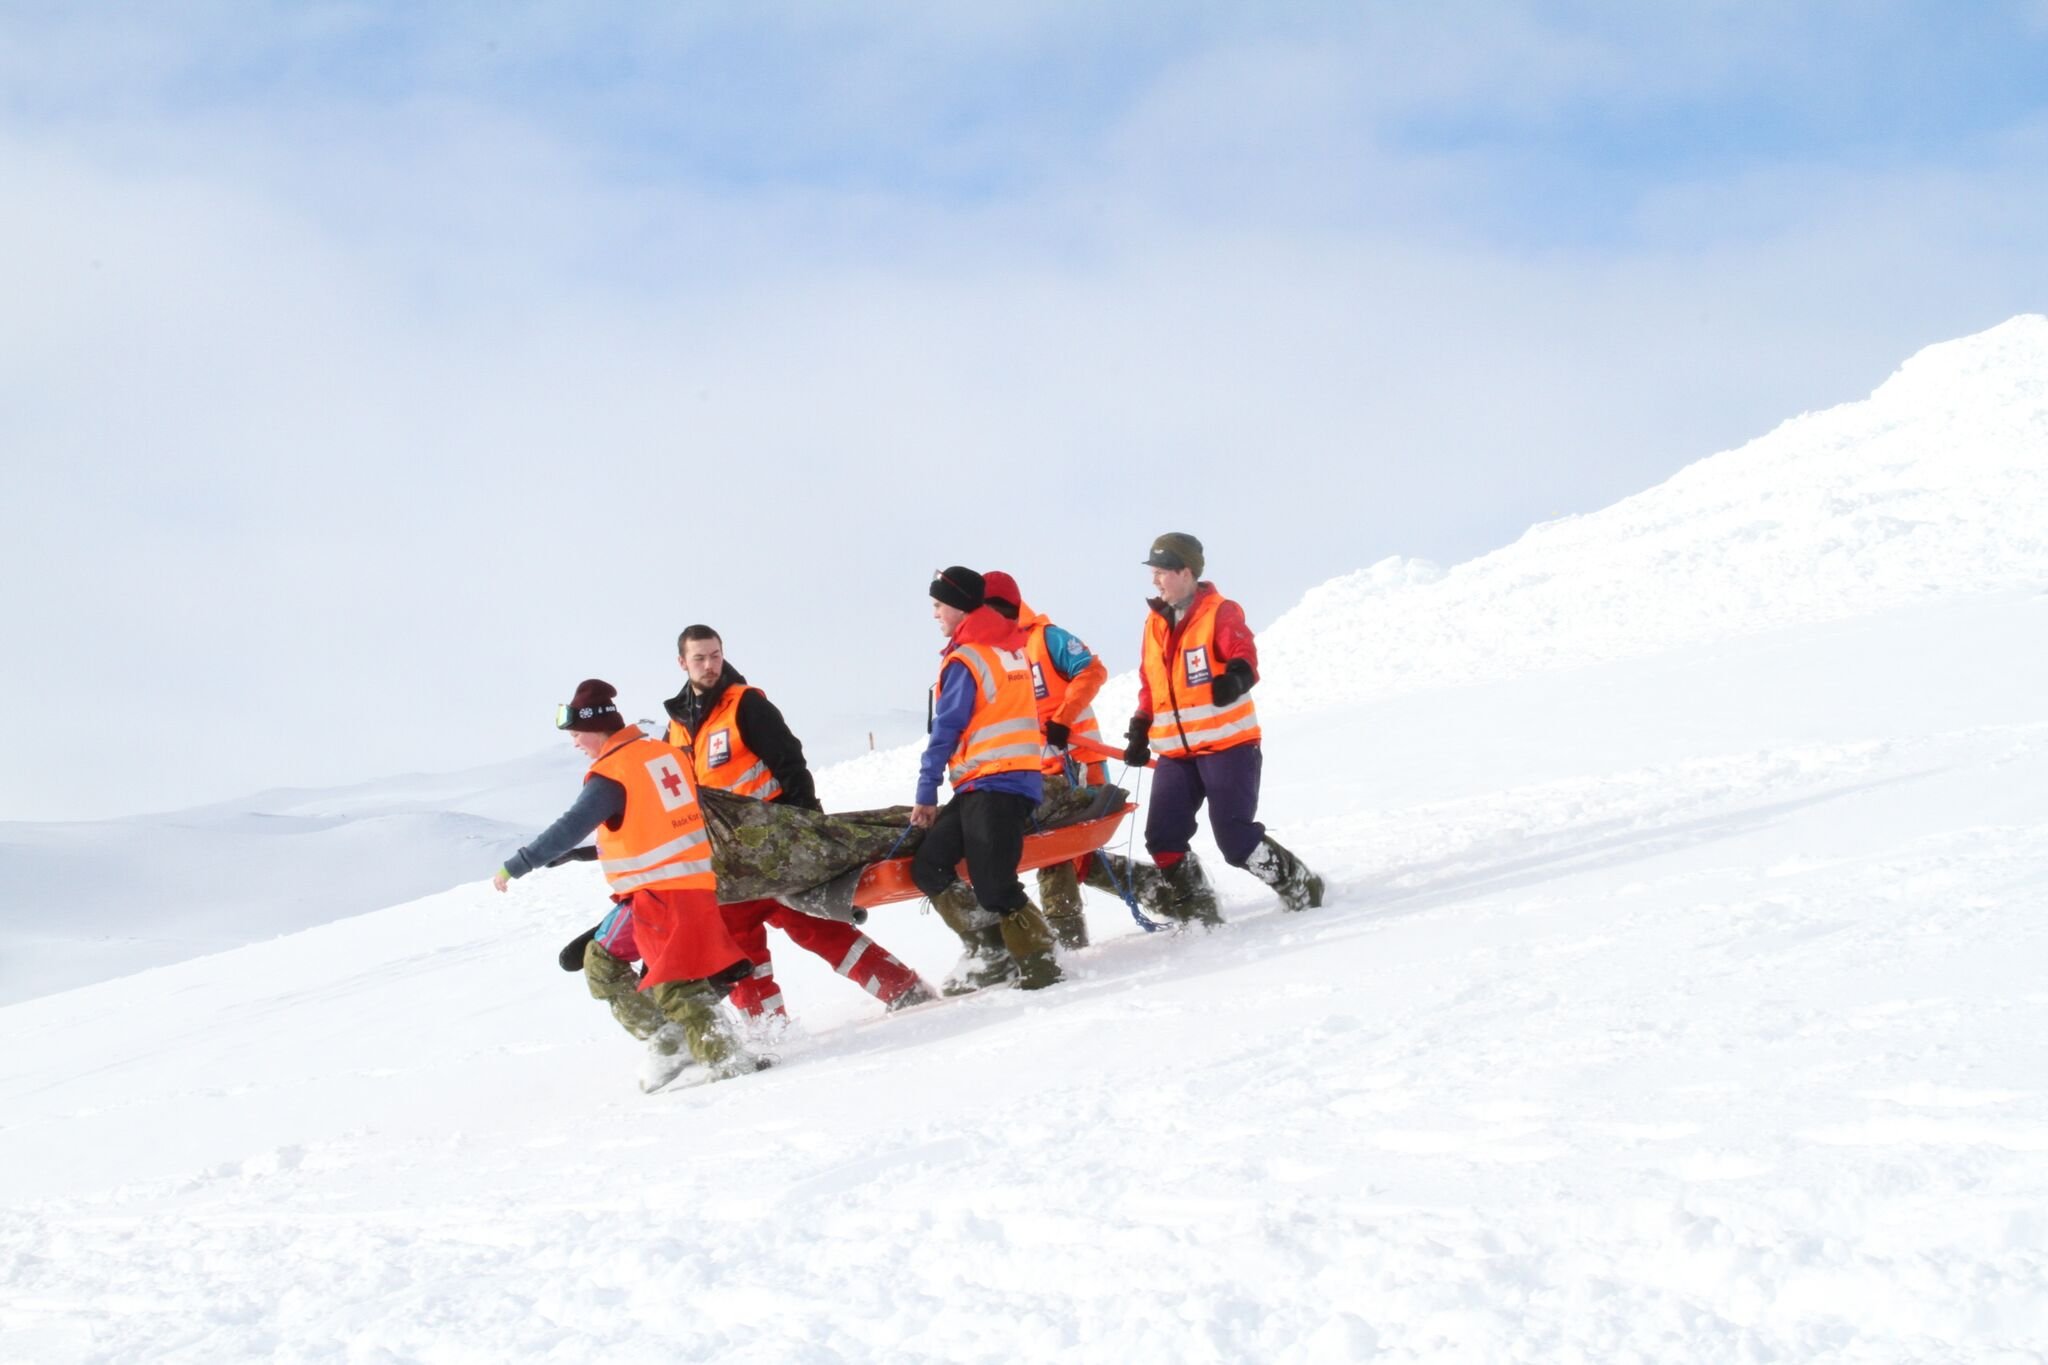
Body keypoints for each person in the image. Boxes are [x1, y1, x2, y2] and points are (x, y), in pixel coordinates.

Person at [494, 679, 764, 1091]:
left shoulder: (611, 773)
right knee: (669, 974)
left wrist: (518, 865)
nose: (575, 744)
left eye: (576, 734)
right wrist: (585, 854)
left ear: (596, 727)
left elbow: (570, 826)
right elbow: (654, 825)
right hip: (693, 886)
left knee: (639, 975)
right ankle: (706, 1050)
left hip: (657, 894)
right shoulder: (665, 754)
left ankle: (693, 1050)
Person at [665, 624, 935, 1018]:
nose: (709, 665)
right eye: (699, 658)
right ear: (682, 662)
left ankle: (904, 991)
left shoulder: (746, 704)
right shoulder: (676, 727)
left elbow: (792, 765)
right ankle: (767, 1029)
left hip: (775, 849)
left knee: (817, 929)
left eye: (715, 655)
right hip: (727, 863)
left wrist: (810, 831)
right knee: (737, 944)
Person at [1122, 533, 1324, 921]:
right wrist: (1140, 726)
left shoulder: (1220, 611)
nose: (1155, 580)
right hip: (1177, 755)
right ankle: (1199, 910)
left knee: (1235, 840)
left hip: (1227, 746)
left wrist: (1235, 678)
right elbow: (1151, 684)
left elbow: (1243, 654)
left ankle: (1299, 884)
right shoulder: (1153, 623)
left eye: (1161, 571)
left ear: (1186, 572)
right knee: (1162, 837)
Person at [909, 567, 1063, 992]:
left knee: (995, 883)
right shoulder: (1008, 649)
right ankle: (991, 951)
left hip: (999, 783)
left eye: (938, 605)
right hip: (986, 782)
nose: (935, 614)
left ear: (959, 606)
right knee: (930, 865)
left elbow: (946, 730)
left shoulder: (969, 657)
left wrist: (925, 791)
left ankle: (1042, 962)